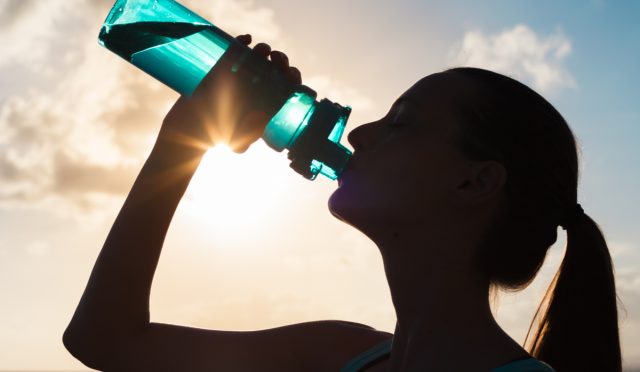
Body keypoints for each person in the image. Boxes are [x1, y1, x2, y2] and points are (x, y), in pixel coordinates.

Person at [63, 35, 622, 372]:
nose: (358, 136)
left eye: (400, 125)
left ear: (475, 183)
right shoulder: (334, 354)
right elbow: (104, 339)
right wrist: (182, 142)